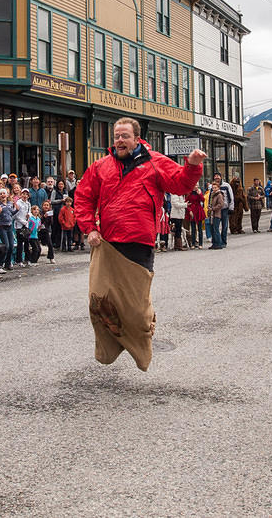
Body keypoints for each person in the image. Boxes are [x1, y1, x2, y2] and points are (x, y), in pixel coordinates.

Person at [74, 117, 204, 371]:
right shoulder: (100, 166)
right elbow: (83, 196)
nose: (119, 141)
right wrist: (89, 227)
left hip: (139, 243)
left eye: (124, 136)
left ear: (136, 138)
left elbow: (180, 183)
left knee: (134, 312)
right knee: (98, 301)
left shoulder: (155, 162)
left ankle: (143, 335)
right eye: (116, 137)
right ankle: (107, 349)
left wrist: (192, 166)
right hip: (107, 243)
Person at [207, 182, 226, 250]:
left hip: (216, 214)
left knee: (216, 229)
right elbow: (210, 202)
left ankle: (218, 243)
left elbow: (221, 204)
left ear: (218, 188)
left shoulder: (219, 195)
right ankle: (214, 243)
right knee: (212, 229)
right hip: (211, 214)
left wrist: (213, 208)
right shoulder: (212, 194)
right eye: (213, 187)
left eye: (215, 187)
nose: (214, 189)